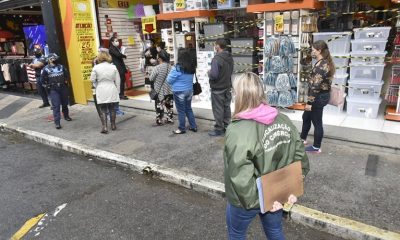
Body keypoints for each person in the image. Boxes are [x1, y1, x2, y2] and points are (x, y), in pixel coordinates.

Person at [224, 72, 310, 240]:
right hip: (276, 192)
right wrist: (289, 189)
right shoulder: (283, 119)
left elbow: (240, 176)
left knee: (236, 234)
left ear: (239, 96)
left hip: (246, 200)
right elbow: (300, 157)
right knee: (275, 231)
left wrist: (263, 201)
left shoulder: (237, 130)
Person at [300, 40, 335, 153]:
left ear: (319, 50)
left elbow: (315, 87)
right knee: (306, 117)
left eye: (313, 50)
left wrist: (309, 103)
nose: (312, 51)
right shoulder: (321, 61)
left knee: (317, 121)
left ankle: (316, 147)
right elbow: (303, 62)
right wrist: (308, 56)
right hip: (318, 95)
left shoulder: (322, 66)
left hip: (318, 97)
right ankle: (302, 139)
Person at [167, 49, 197, 134]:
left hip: (179, 92)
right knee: (188, 109)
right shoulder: (191, 68)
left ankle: (181, 128)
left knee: (181, 111)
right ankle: (193, 126)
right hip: (189, 90)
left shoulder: (177, 68)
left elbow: (169, 80)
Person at [208, 38, 234, 137]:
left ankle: (219, 128)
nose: (214, 46)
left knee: (218, 108)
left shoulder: (217, 58)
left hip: (217, 88)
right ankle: (227, 126)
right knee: (226, 107)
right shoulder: (229, 57)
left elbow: (214, 75)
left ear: (218, 46)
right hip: (227, 86)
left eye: (215, 45)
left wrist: (209, 73)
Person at [90, 51, 120, 134]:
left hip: (101, 88)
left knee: (103, 108)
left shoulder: (96, 68)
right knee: (112, 108)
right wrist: (118, 91)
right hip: (111, 87)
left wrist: (96, 85)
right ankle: (113, 125)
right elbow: (118, 80)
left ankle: (105, 127)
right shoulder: (113, 67)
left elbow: (92, 79)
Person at [41, 53, 72, 129]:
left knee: (65, 103)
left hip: (63, 87)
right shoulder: (45, 69)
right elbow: (42, 80)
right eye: (54, 58)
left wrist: (65, 81)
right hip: (53, 89)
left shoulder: (61, 67)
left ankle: (66, 116)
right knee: (56, 106)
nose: (56, 60)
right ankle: (57, 122)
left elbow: (66, 75)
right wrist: (47, 87)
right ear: (50, 60)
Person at [149, 50, 173, 125]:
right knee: (169, 105)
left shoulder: (157, 68)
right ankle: (169, 118)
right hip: (169, 90)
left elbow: (151, 78)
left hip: (160, 91)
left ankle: (159, 120)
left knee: (159, 105)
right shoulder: (171, 67)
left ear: (159, 58)